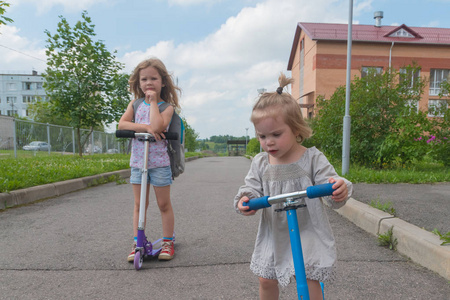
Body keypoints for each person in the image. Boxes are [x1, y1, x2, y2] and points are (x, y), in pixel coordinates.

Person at [234, 73, 353, 300]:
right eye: (262, 136)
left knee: (306, 277)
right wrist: (246, 200)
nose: (268, 142)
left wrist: (338, 188)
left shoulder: (312, 158)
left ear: (296, 129)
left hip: (307, 229)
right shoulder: (261, 163)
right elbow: (250, 188)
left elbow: (331, 181)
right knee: (266, 279)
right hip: (273, 231)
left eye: (276, 134)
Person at [118, 57, 181, 262]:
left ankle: (168, 241)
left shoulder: (166, 107)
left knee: (163, 204)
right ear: (138, 83)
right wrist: (143, 128)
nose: (148, 83)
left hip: (159, 163)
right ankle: (138, 242)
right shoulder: (135, 104)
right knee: (139, 204)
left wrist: (153, 102)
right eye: (144, 79)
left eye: (153, 78)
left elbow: (157, 127)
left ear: (163, 82)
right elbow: (123, 125)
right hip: (138, 162)